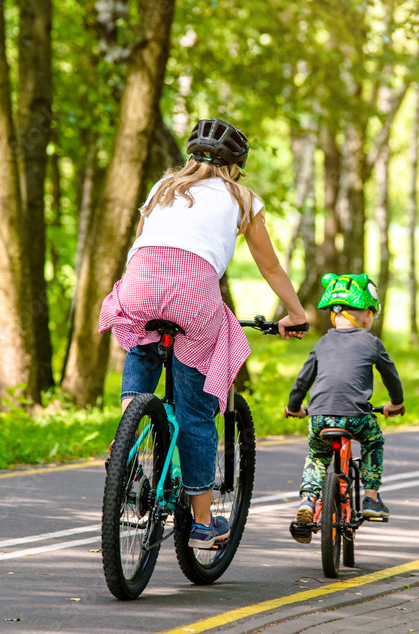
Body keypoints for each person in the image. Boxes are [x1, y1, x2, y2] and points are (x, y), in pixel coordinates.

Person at [98, 118, 307, 549]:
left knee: (141, 342)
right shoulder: (243, 199)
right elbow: (269, 266)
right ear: (237, 166)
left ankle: (128, 445)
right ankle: (201, 522)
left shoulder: (163, 188)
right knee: (194, 412)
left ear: (191, 156)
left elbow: (143, 243)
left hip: (140, 283)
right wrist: (295, 313)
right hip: (194, 297)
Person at [284, 273, 404, 541]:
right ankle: (371, 498)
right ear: (367, 317)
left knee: (317, 457)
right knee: (373, 442)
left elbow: (303, 379)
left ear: (332, 315)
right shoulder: (372, 342)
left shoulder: (322, 342)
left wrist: (294, 407)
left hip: (319, 418)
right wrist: (396, 403)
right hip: (356, 418)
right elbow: (391, 377)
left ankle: (307, 501)